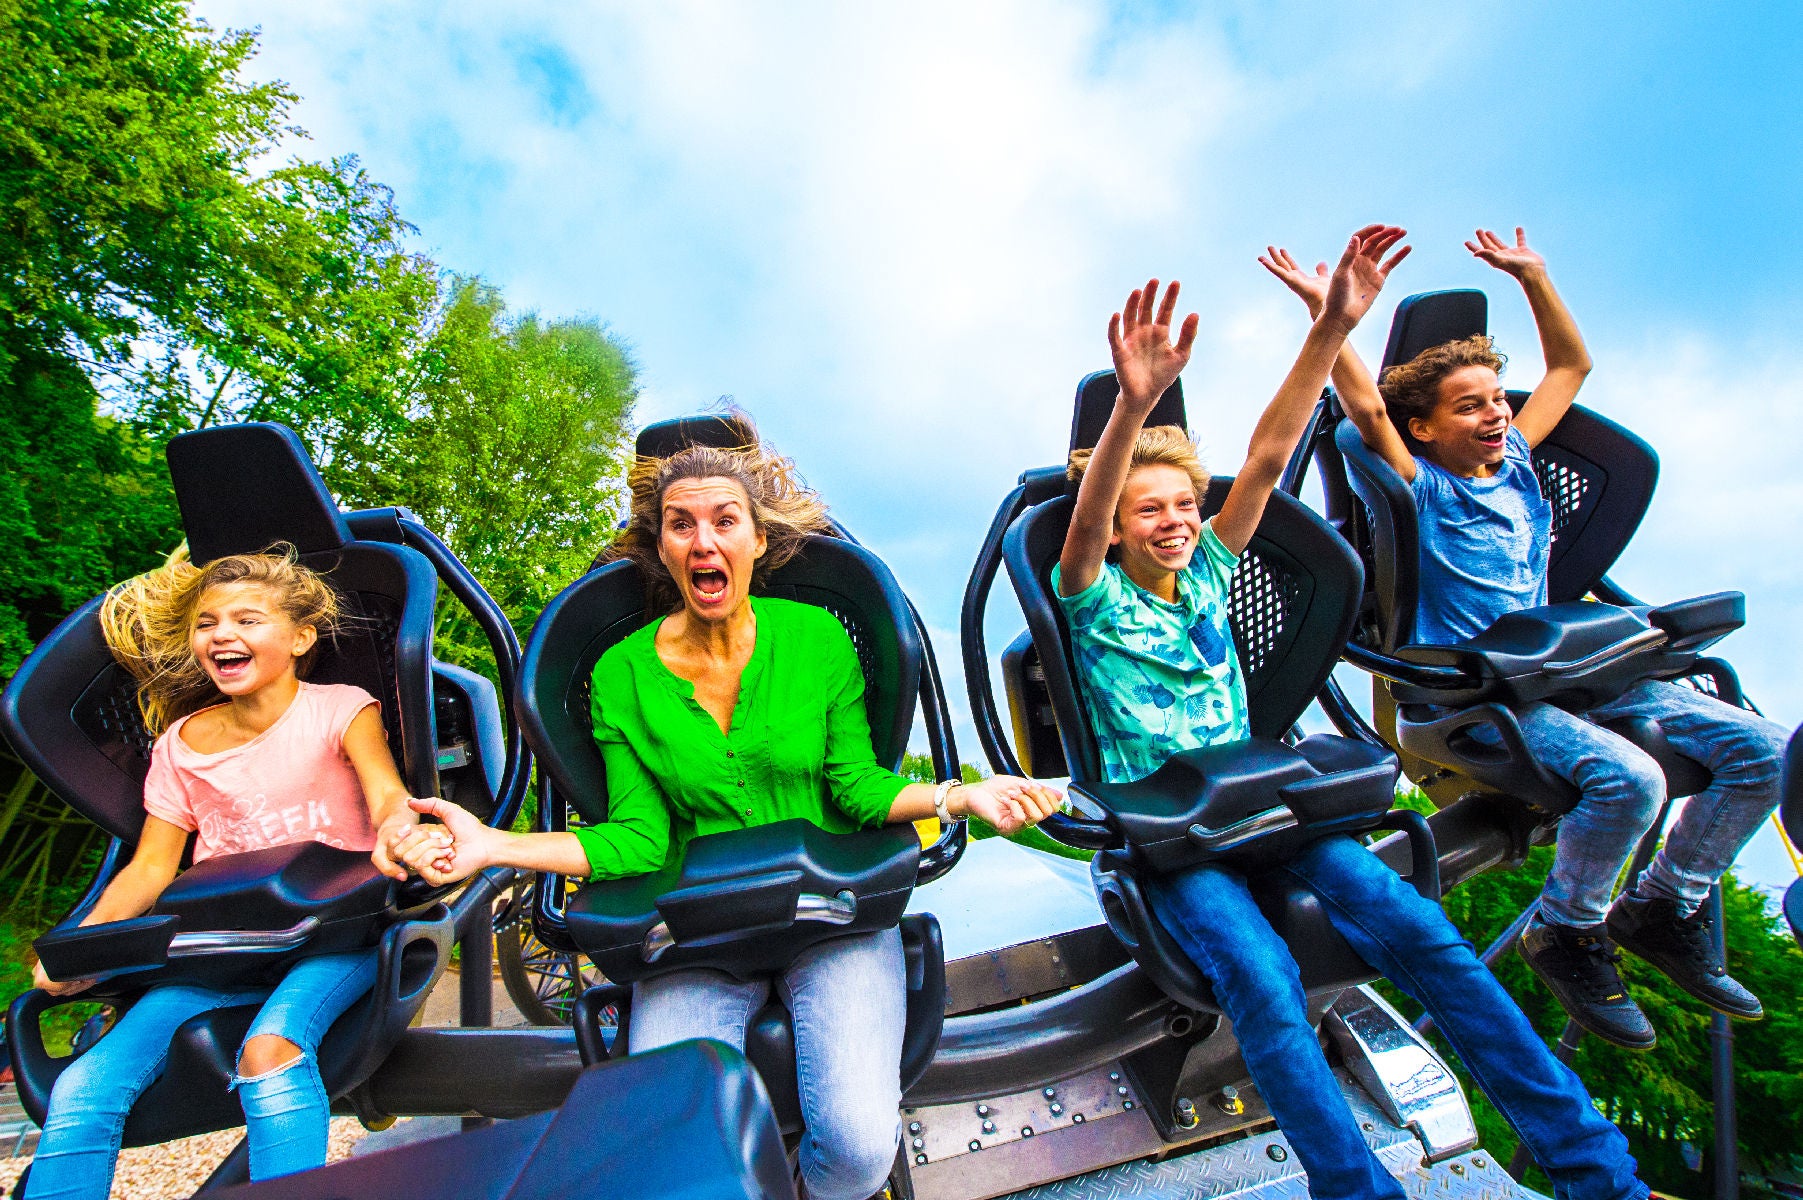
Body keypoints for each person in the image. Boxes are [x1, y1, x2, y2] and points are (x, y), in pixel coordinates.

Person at [1057, 228, 1649, 1200]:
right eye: (1146, 509)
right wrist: (1131, 407)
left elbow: (1270, 449)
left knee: (1419, 933)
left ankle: (1595, 1169)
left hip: (1268, 811)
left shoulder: (1209, 566)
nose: (1171, 521)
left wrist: (1333, 325)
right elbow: (1081, 523)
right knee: (1263, 979)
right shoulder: (1088, 595)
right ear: (1115, 525)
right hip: (1177, 840)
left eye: (1181, 505)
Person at [390, 419, 1062, 1200]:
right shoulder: (620, 675)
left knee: (852, 1148)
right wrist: (489, 846)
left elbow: (857, 790)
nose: (703, 540)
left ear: (756, 540)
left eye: (723, 521)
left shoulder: (815, 637)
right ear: (662, 547)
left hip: (830, 913)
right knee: (678, 1155)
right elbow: (635, 841)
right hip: (696, 933)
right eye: (682, 525)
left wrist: (960, 796)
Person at [1289, 226, 1788, 1049]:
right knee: (1627, 780)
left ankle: (1665, 903)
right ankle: (1565, 928)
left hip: (1572, 671)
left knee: (1770, 752)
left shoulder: (1516, 457)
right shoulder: (1424, 487)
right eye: (1468, 407)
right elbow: (1364, 408)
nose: (1493, 415)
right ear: (1422, 430)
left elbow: (1569, 368)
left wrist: (1534, 277)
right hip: (1485, 691)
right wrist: (1334, 320)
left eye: (1495, 399)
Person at [25, 548, 426, 1199]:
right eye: (207, 623)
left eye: (246, 619)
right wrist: (83, 945)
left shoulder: (341, 708)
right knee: (82, 1086)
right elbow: (152, 865)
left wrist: (404, 828)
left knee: (269, 1052)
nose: (222, 635)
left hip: (332, 939)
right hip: (224, 952)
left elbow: (384, 794)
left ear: (298, 638)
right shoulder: (180, 744)